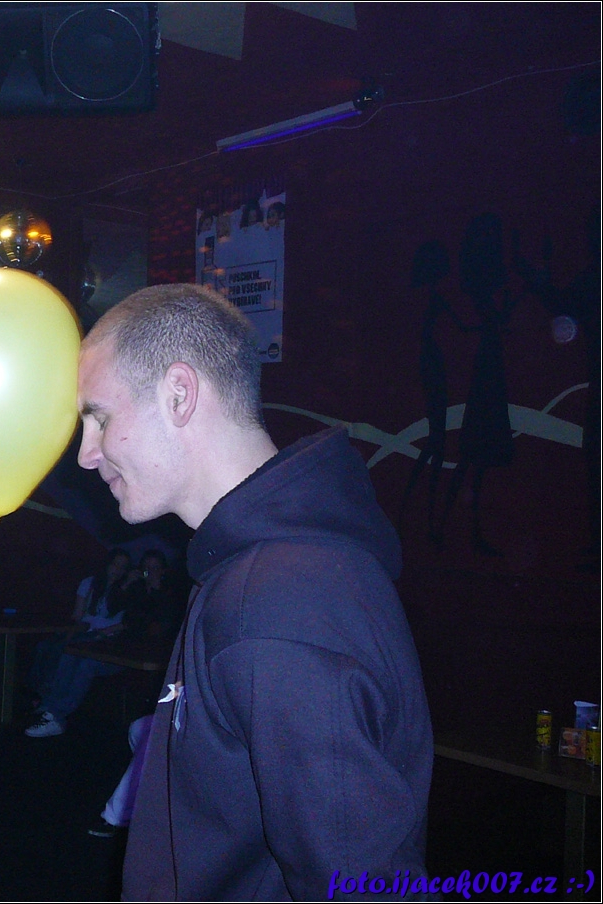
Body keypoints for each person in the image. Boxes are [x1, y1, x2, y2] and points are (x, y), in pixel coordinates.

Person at [76, 283, 432, 899]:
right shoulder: (258, 571)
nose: (86, 453)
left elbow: (358, 883)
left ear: (179, 394)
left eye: (98, 417)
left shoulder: (277, 601)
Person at [25, 548, 131, 738]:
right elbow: (77, 615)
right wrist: (68, 631)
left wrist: (103, 632)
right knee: (48, 647)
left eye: (122, 567)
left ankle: (53, 710)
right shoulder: (90, 583)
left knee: (73, 654)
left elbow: (128, 622)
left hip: (105, 638)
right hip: (85, 632)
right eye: (115, 564)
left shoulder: (128, 588)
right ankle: (45, 700)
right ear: (107, 564)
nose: (117, 570)